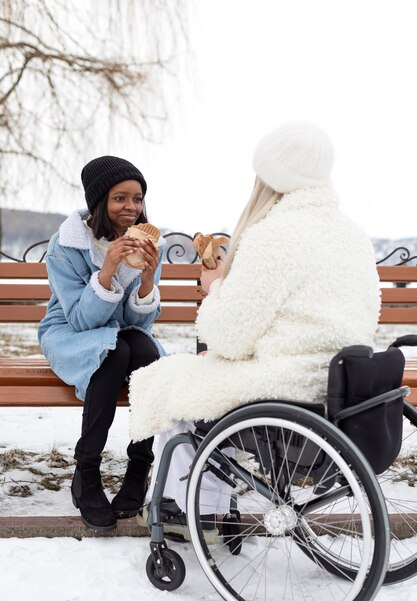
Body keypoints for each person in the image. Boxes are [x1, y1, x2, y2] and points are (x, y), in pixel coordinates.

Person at [129, 121, 381, 538]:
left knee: (171, 382)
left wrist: (214, 293)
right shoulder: (352, 235)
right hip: (343, 383)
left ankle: (193, 509)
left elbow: (229, 336)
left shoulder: (274, 235)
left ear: (273, 175)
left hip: (286, 385)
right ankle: (207, 495)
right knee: (195, 381)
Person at [38, 156, 165, 532]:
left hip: (120, 332)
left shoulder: (145, 244)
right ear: (100, 202)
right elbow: (80, 319)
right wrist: (108, 270)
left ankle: (139, 469)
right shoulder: (67, 244)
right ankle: (87, 475)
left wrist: (146, 281)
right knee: (115, 352)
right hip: (69, 332)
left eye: (137, 199)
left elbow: (138, 325)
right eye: (120, 199)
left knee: (145, 353)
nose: (131, 208)